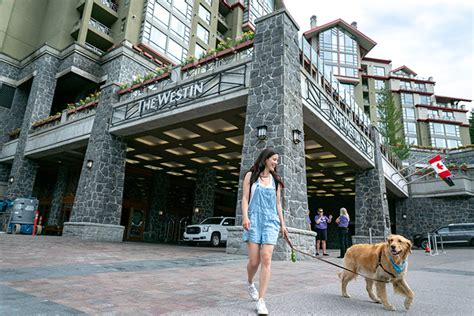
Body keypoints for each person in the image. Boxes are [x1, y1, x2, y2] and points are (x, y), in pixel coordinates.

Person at [242, 148, 288, 315]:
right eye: (274, 159)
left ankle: (261, 300)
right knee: (254, 262)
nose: (276, 162)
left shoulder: (276, 180)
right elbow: (245, 198)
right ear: (266, 159)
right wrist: (245, 217)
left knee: (266, 258)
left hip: (271, 222)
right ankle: (249, 283)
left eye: (277, 160)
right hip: (253, 220)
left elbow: (278, 204)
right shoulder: (251, 176)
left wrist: (283, 225)